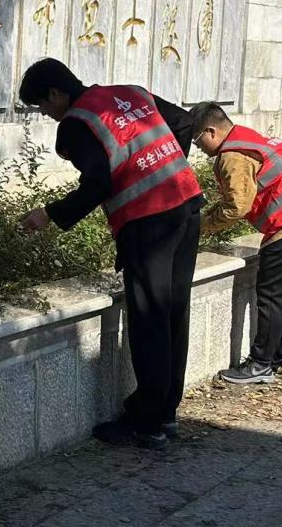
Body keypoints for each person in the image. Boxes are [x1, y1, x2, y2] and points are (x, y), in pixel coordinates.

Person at [17, 59, 203, 450]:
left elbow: (98, 183)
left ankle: (147, 423)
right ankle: (165, 412)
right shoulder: (130, 93)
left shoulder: (77, 123)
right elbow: (185, 123)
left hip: (149, 223)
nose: (45, 114)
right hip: (185, 205)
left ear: (56, 93)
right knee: (173, 312)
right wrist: (166, 171)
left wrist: (48, 214)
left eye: (42, 105)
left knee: (149, 319)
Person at [192, 103, 282, 384]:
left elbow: (237, 206)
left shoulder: (233, 155)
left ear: (211, 131)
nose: (197, 147)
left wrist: (199, 225)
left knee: (272, 296)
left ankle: (260, 365)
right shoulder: (253, 139)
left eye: (197, 140)